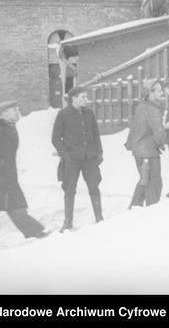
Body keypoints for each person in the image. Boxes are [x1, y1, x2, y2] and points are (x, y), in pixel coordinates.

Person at [0, 101, 48, 239]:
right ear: (3, 114)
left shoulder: (9, 127)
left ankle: (34, 232)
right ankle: (35, 232)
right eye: (13, 110)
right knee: (11, 204)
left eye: (17, 109)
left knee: (11, 205)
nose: (17, 111)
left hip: (6, 177)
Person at [51, 86, 104, 231]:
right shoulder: (63, 114)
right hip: (71, 160)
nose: (86, 100)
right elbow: (55, 138)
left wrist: (99, 152)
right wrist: (65, 155)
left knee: (94, 187)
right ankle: (68, 222)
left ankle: (99, 218)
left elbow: (95, 134)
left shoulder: (89, 113)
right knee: (69, 190)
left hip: (89, 158)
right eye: (83, 97)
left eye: (86, 97)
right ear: (73, 98)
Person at [125, 79, 166, 207]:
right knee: (154, 183)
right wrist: (161, 143)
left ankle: (134, 208)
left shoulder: (141, 106)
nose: (161, 92)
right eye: (158, 90)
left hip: (140, 151)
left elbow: (133, 129)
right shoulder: (153, 109)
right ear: (150, 93)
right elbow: (159, 131)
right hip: (148, 151)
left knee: (145, 180)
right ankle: (151, 213)